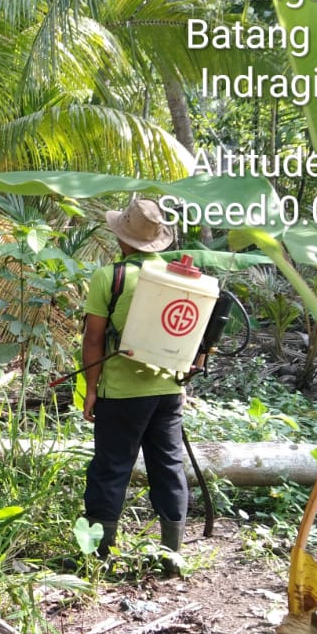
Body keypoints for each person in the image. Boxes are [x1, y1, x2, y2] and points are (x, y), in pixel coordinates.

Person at [80, 197, 189, 574]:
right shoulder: (180, 277)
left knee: (111, 469)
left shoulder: (110, 277)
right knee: (169, 468)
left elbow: (93, 339)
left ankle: (100, 559)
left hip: (121, 393)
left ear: (122, 239)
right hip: (168, 391)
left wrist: (91, 389)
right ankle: (171, 558)